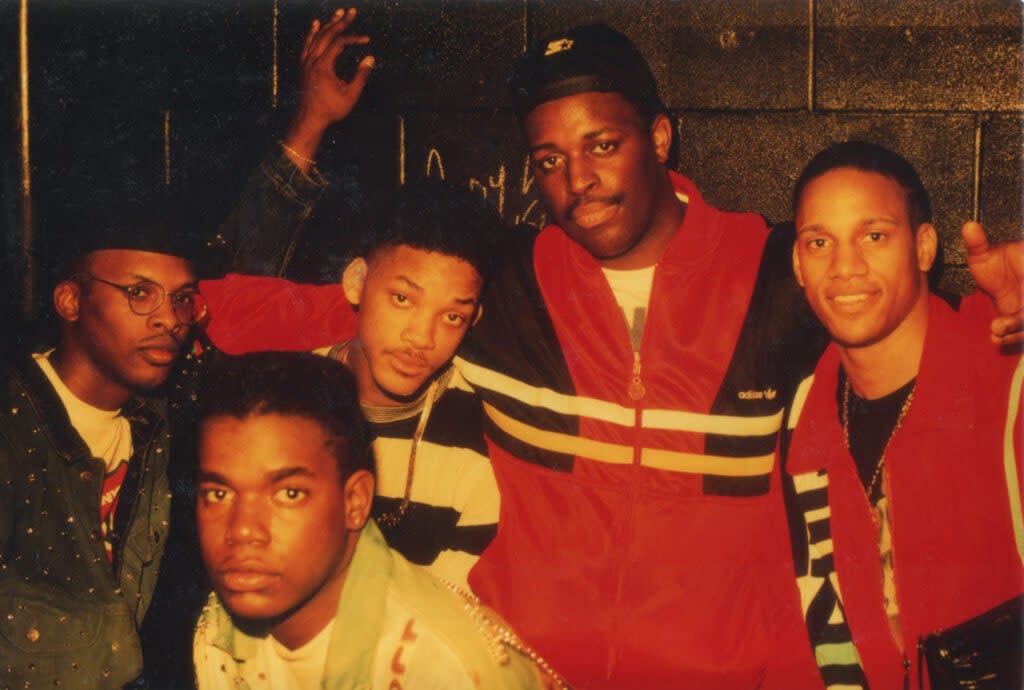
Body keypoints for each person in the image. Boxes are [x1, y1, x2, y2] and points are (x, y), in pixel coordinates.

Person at [198, 15, 1024, 689]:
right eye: (549, 160)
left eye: (602, 144)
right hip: (526, 676)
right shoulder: (499, 289)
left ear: (660, 137)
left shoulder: (783, 276)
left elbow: (914, 330)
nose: (577, 182)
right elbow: (235, 312)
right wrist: (306, 129)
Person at [784, 141, 1023, 690]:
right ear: (798, 263)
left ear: (923, 246)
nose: (845, 267)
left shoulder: (1007, 380)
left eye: (874, 236)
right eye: (820, 242)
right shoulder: (798, 418)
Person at [191, 351, 565, 690]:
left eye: (289, 494)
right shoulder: (217, 632)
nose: (242, 529)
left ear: (355, 501)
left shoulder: (446, 670)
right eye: (218, 494)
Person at [204, 178, 503, 588]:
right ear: (357, 282)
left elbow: (455, 616)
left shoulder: (484, 437)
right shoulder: (281, 401)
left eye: (452, 316)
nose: (421, 337)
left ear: (473, 321)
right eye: (402, 299)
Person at [0, 193, 207, 689]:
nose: (169, 319)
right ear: (71, 301)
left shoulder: (154, 421)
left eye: (181, 298)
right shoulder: (13, 428)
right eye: (140, 293)